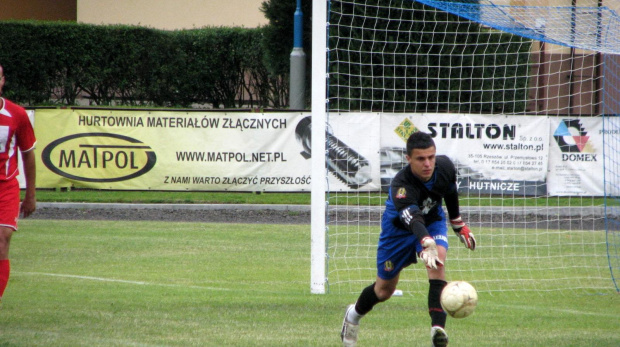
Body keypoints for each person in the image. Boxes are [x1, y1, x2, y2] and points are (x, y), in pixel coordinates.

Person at [340, 131, 475, 347]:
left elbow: (449, 190)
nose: (428, 164)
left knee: (437, 261)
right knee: (383, 291)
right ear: (408, 159)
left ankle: (437, 331)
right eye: (421, 159)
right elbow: (412, 219)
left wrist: (457, 223)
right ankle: (353, 315)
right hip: (398, 231)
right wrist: (426, 242)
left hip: (432, 222)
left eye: (431, 157)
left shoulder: (445, 167)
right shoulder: (401, 186)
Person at [0, 63, 37, 306]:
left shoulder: (17, 114)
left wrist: (31, 195)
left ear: (2, 81)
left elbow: (28, 154)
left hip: (6, 189)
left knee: (1, 241)